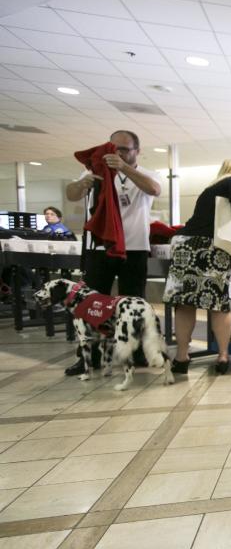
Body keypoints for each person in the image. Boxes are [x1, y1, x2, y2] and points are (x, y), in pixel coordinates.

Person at [63, 130, 163, 376]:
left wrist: (123, 168)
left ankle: (136, 352)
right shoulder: (96, 171)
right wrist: (82, 183)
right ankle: (89, 356)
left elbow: (154, 189)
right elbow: (72, 194)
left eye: (124, 150)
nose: (117, 154)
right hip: (100, 247)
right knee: (92, 303)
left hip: (134, 248)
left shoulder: (146, 174)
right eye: (113, 148)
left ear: (137, 151)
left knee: (134, 302)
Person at [163, 159, 231, 376]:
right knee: (218, 303)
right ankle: (223, 355)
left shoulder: (210, 188)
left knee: (185, 303)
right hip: (211, 247)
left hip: (185, 245)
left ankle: (182, 357)